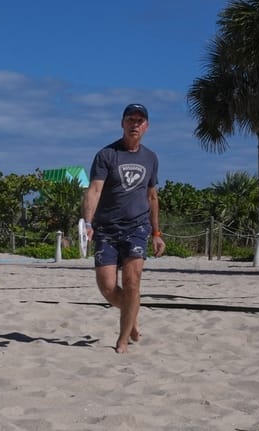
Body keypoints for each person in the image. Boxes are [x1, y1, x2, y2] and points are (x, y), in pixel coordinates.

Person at [81, 103, 166, 354]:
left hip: (137, 227)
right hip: (107, 228)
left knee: (132, 283)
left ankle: (122, 339)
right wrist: (88, 223)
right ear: (122, 123)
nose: (134, 125)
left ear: (146, 126)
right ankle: (132, 314)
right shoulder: (106, 155)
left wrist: (156, 233)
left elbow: (152, 196)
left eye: (139, 121)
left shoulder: (151, 158)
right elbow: (94, 190)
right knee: (107, 287)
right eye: (130, 120)